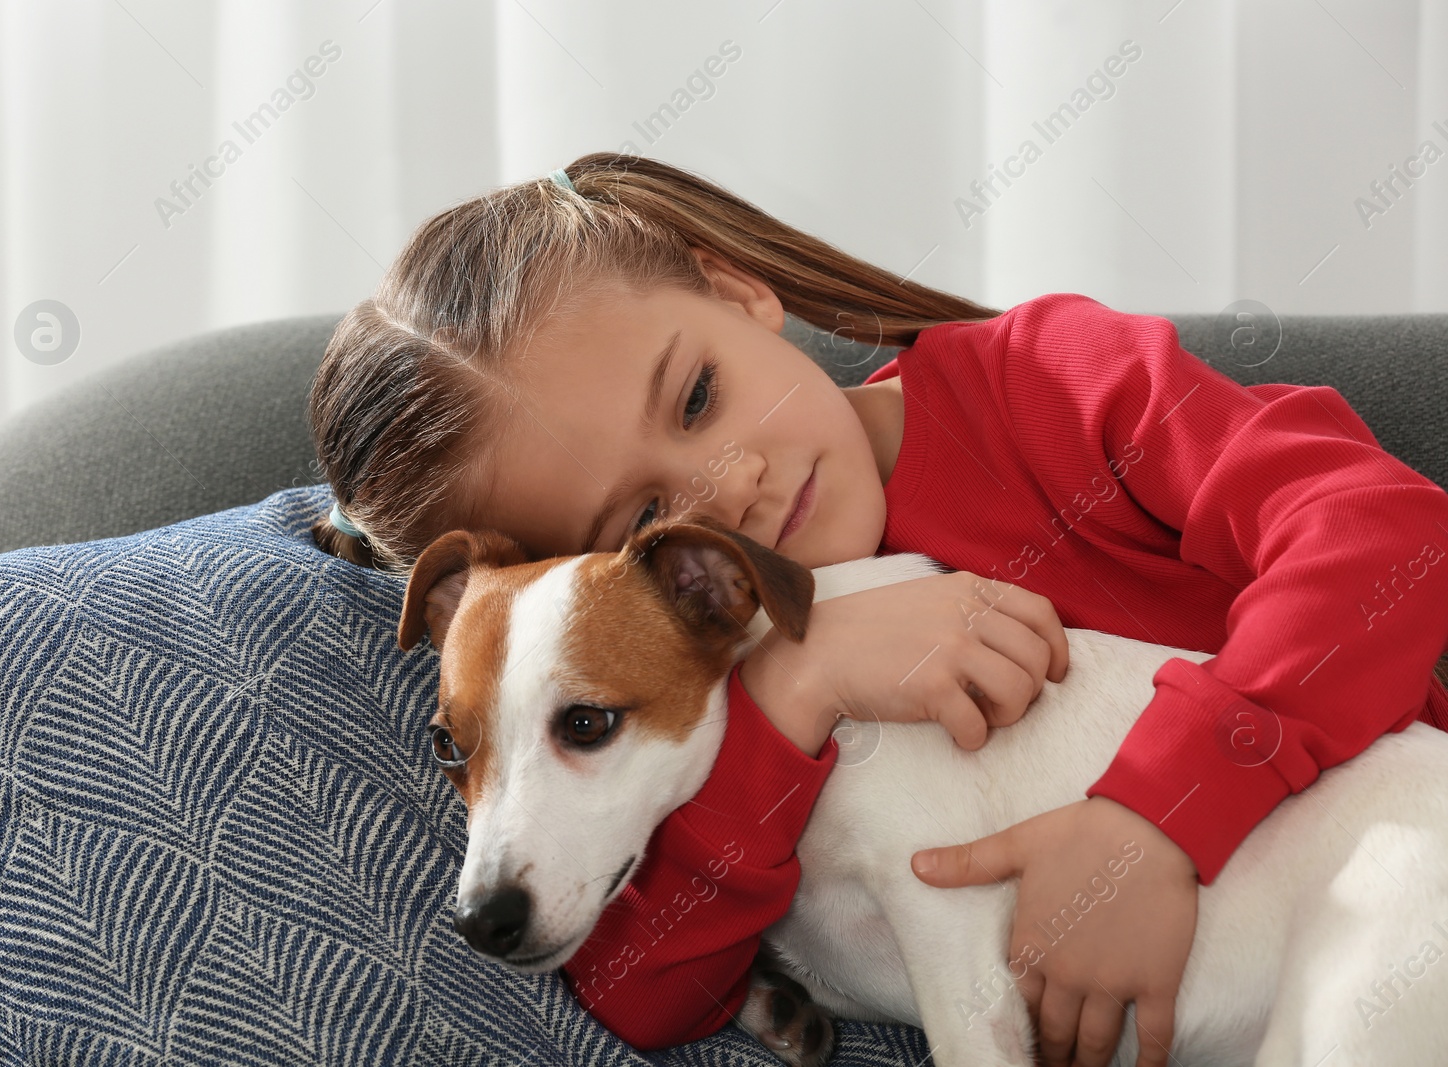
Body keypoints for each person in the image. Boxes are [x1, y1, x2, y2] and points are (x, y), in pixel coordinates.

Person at [306, 152, 1448, 1067]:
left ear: (736, 291)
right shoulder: (708, 681)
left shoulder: (1049, 380)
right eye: (640, 512)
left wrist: (1155, 819)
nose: (729, 487)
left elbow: (1388, 536)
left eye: (698, 396)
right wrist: (800, 680)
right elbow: (650, 990)